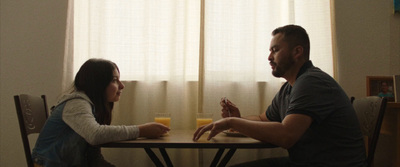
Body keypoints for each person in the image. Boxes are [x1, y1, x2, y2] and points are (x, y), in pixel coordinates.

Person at [193, 25, 366, 167]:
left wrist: (232, 122)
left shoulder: (312, 82)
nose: (269, 57)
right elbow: (264, 119)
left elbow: (286, 136)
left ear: (297, 52)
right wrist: (239, 118)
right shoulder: (290, 87)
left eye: (275, 50)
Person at [32, 58, 170, 167]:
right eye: (115, 80)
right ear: (98, 83)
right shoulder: (76, 103)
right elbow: (96, 135)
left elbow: (94, 158)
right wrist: (141, 130)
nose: (122, 86)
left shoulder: (90, 107)